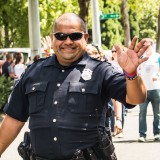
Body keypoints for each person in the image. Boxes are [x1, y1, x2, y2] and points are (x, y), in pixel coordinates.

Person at [0, 13, 153, 159]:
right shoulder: (33, 72)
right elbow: (14, 119)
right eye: (61, 36)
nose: (68, 41)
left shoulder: (101, 70)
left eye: (75, 36)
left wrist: (131, 75)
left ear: (85, 38)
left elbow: (136, 98)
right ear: (53, 38)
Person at [138, 51, 160, 142]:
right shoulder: (140, 57)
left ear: (151, 45)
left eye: (147, 44)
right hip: (143, 89)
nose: (145, 46)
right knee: (142, 113)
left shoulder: (157, 56)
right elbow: (136, 70)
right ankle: (142, 134)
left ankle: (157, 133)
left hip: (155, 88)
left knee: (157, 113)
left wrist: (158, 76)